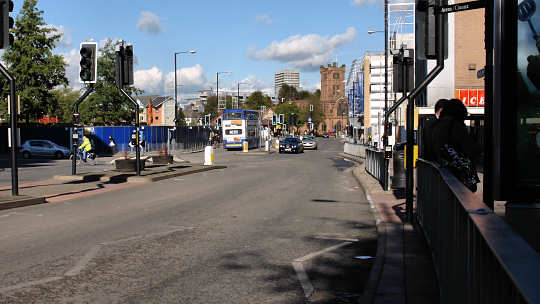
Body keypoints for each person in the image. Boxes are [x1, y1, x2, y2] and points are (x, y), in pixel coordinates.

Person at [431, 98, 482, 190]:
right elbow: (469, 148)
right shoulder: (456, 125)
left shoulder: (437, 126)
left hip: (445, 171)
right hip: (460, 173)